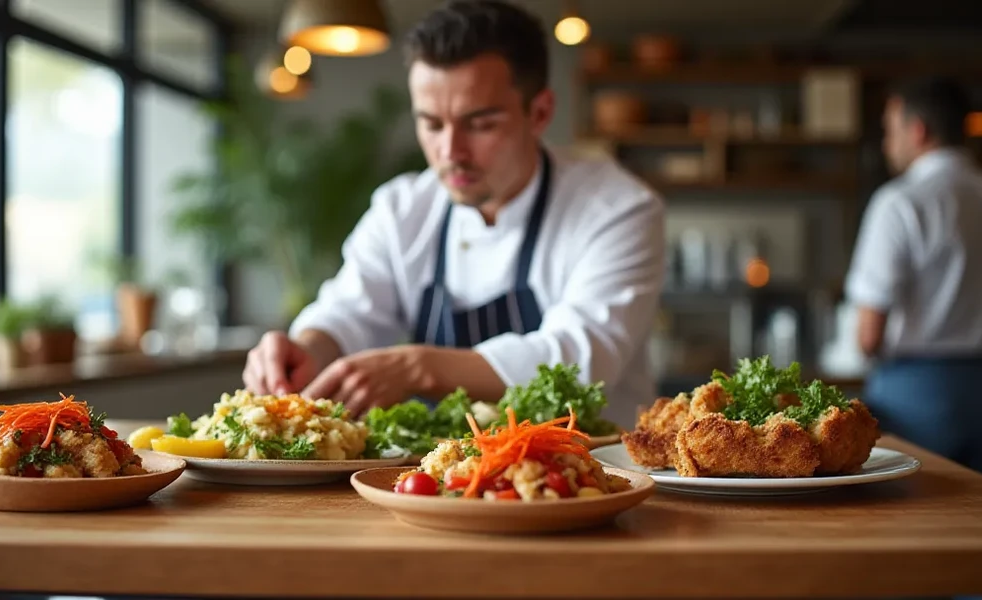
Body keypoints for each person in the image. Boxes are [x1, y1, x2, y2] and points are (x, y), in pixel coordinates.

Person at [241, 0, 665, 425]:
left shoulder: (618, 208)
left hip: (594, 471)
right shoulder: (402, 208)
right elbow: (349, 311)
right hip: (435, 477)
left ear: (539, 113)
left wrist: (418, 367)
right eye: (431, 124)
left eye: (480, 124)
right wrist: (305, 349)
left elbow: (582, 357)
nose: (450, 152)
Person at [844, 76, 982, 475]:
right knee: (977, 516)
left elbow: (868, 334)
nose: (886, 143)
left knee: (910, 520)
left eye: (889, 130)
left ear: (918, 130)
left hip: (913, 393)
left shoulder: (899, 203)